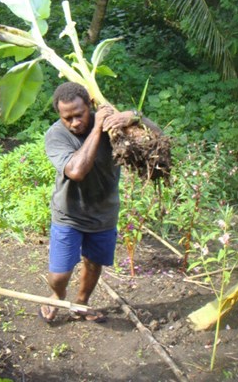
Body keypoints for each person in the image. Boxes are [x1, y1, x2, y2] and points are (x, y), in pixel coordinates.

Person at [39, 82, 148, 323]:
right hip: (69, 213)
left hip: (104, 213)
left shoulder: (114, 128)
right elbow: (77, 171)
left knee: (93, 263)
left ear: (90, 105)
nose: (74, 122)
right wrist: (97, 127)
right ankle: (57, 295)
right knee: (59, 275)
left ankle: (81, 303)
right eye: (67, 118)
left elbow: (156, 137)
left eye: (79, 115)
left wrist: (135, 116)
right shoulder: (56, 135)